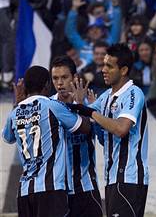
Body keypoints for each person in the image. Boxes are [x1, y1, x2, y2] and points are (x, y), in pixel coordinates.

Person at [68, 43, 149, 217]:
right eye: (103, 64)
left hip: (129, 177)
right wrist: (80, 104)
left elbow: (121, 129)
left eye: (109, 66)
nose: (103, 69)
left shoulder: (134, 93)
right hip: (112, 178)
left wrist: (90, 110)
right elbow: (87, 120)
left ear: (124, 70)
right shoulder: (105, 97)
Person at [2, 66, 90, 217]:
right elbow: (85, 127)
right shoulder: (52, 106)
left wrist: (17, 104)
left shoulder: (15, 113)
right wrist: (80, 103)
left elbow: (7, 137)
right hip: (51, 190)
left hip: (25, 192)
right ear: (47, 85)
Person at [50, 56, 102, 217]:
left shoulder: (89, 104)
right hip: (59, 190)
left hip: (87, 187)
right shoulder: (48, 106)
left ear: (74, 78)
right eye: (55, 78)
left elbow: (102, 138)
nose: (59, 83)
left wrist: (83, 107)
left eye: (64, 77)